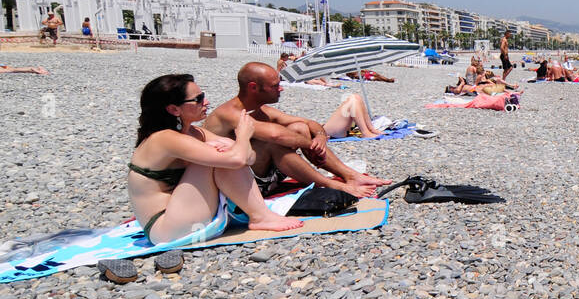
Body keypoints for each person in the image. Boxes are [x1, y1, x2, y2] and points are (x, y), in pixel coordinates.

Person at [127, 74, 303, 246]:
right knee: (221, 155)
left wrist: (236, 148)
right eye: (198, 99)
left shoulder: (196, 133)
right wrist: (242, 137)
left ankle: (261, 214)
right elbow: (238, 159)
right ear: (174, 109)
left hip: (184, 213)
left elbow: (249, 157)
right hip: (165, 229)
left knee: (225, 149)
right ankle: (260, 217)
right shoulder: (165, 139)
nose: (206, 102)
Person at [205, 62, 389, 198]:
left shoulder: (262, 110)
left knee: (299, 128)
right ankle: (331, 185)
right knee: (275, 144)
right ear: (253, 87)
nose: (281, 89)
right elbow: (275, 135)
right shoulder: (229, 113)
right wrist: (311, 143)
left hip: (265, 177)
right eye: (275, 85)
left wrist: (320, 136)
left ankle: (350, 175)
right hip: (239, 186)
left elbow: (309, 123)